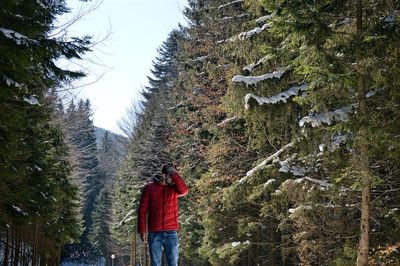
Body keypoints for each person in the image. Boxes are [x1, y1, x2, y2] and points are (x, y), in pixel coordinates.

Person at [137, 163, 189, 266]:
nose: (173, 177)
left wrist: (174, 174)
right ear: (164, 175)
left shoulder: (174, 188)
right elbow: (142, 210)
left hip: (171, 232)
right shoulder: (149, 188)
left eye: (174, 174)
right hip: (154, 232)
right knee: (155, 263)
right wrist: (142, 230)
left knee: (173, 263)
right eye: (170, 174)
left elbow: (184, 190)